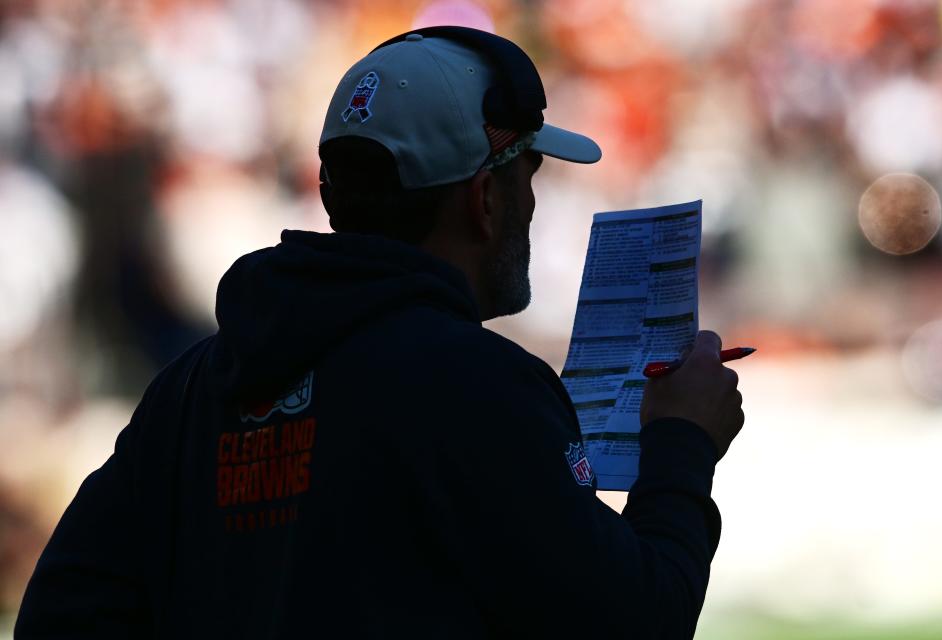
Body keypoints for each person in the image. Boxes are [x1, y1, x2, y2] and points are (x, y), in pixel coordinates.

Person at [16, 26, 744, 638]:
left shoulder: (189, 390)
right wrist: (682, 445)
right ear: (484, 197)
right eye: (529, 175)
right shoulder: (476, 386)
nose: (531, 202)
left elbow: (62, 615)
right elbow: (637, 620)